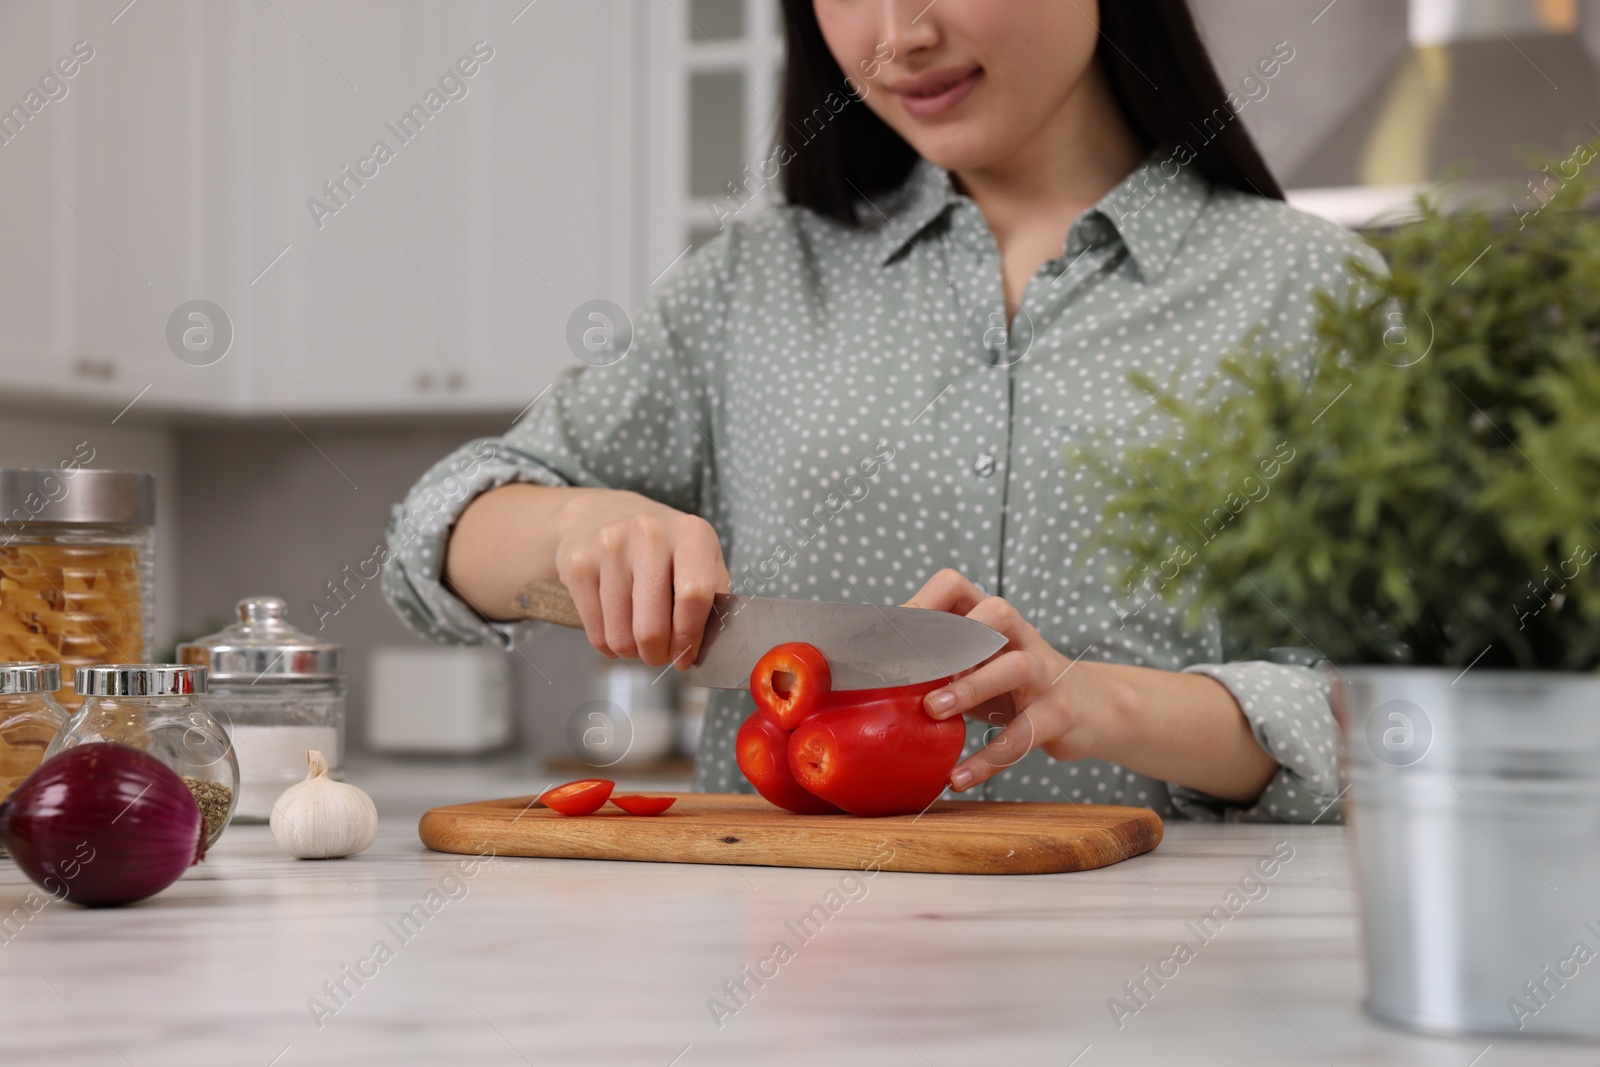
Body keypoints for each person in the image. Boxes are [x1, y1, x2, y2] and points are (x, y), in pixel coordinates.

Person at [383, 0, 1376, 822]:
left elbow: (1399, 714)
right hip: (789, 977)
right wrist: (574, 526)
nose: (896, 33)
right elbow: (436, 537)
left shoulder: (1312, 293)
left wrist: (1102, 700)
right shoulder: (750, 286)